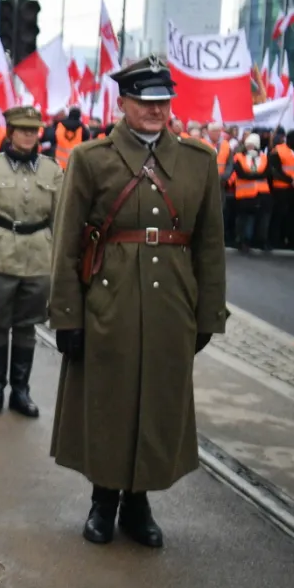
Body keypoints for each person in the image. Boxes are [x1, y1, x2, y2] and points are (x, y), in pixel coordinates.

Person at [49, 56, 228, 548]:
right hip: (109, 302)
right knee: (108, 402)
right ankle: (103, 500)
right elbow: (66, 242)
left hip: (172, 303)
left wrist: (209, 312)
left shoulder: (198, 160)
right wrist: (67, 314)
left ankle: (139, 502)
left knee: (157, 404)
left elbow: (210, 245)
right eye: (145, 102)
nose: (155, 110)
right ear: (123, 102)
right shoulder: (91, 159)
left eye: (162, 101)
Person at [0, 106, 62, 416]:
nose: (29, 135)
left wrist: (59, 268)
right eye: (23, 130)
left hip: (38, 259)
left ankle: (21, 391)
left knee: (27, 327)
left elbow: (59, 222)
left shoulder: (53, 171)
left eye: (34, 131)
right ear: (11, 132)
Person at [268, 130, 294, 251]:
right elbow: (275, 170)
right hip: (282, 188)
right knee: (280, 215)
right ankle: (276, 240)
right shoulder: (278, 150)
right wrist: (291, 180)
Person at [231, 132, 271, 252]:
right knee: (244, 219)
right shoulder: (239, 156)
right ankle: (242, 240)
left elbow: (266, 173)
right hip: (244, 194)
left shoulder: (263, 157)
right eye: (248, 145)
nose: (249, 147)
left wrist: (252, 175)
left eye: (252, 145)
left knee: (259, 219)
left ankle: (257, 240)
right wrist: (255, 175)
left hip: (261, 193)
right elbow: (240, 173)